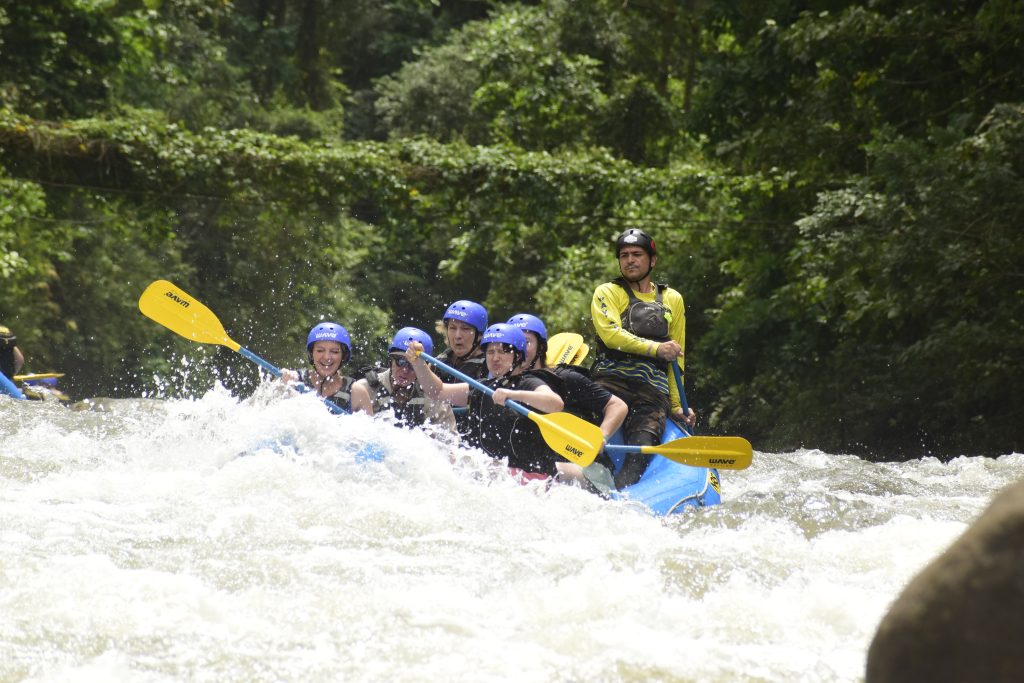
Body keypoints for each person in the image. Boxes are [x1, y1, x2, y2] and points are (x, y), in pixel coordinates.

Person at [591, 228, 696, 489]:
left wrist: (676, 405)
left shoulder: (672, 299)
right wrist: (656, 349)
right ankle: (592, 481)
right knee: (591, 438)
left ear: (653, 260)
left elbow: (677, 359)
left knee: (641, 452)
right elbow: (611, 335)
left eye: (637, 254)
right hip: (609, 382)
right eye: (624, 255)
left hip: (651, 392)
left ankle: (622, 496)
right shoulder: (608, 292)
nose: (630, 260)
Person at [404, 323, 566, 478]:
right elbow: (437, 391)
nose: (495, 358)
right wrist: (418, 363)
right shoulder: (482, 387)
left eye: (503, 351)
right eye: (490, 352)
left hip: (530, 477)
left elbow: (555, 404)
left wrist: (514, 395)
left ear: (517, 356)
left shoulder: (528, 382)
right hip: (490, 472)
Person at [507, 313, 627, 495]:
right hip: (535, 467)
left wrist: (601, 436)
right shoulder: (506, 387)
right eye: (511, 344)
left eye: (526, 342)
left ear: (541, 347)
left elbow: (617, 406)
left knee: (549, 470)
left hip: (585, 466)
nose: (519, 349)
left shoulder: (564, 378)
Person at [350, 326, 456, 433]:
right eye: (400, 362)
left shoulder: (434, 398)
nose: (405, 370)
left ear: (422, 368)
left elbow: (451, 444)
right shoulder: (365, 389)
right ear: (390, 360)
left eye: (413, 365)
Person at [281, 322, 357, 413]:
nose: (327, 357)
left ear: (343, 356)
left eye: (335, 352)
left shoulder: (356, 391)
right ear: (311, 354)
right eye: (320, 350)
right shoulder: (295, 380)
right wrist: (281, 384)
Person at [435, 300, 488, 382]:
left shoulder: (489, 366)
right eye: (452, 328)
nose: (457, 336)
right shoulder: (440, 359)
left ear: (480, 335)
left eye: (465, 329)